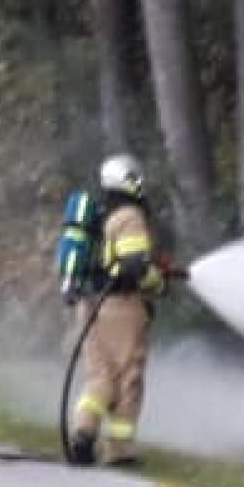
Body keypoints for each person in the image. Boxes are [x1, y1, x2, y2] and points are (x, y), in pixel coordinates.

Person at [67, 154, 167, 467]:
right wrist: (158, 281)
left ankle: (83, 432)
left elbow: (112, 262)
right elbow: (134, 266)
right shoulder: (130, 217)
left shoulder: (101, 215)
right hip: (121, 306)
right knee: (129, 377)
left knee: (100, 376)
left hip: (90, 305)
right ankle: (120, 449)